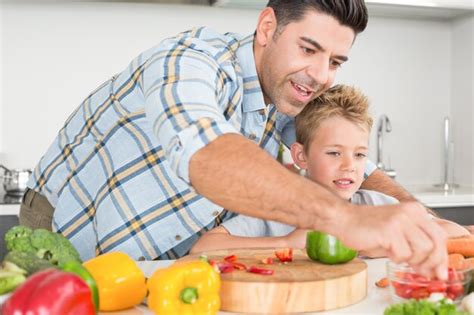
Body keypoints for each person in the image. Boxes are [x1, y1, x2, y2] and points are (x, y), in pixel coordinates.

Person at [21, 0, 449, 279]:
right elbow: (207, 154)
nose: (320, 74)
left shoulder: (285, 98)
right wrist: (347, 220)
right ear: (267, 27)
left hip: (166, 258)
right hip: (72, 231)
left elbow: (347, 160)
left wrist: (424, 221)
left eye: (335, 60)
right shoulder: (190, 61)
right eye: (308, 48)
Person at [190, 85, 470, 255]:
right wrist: (286, 242)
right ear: (301, 156)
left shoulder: (377, 205)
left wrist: (374, 240)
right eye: (334, 153)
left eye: (360, 154)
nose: (349, 165)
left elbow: (453, 233)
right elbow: (203, 248)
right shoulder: (275, 213)